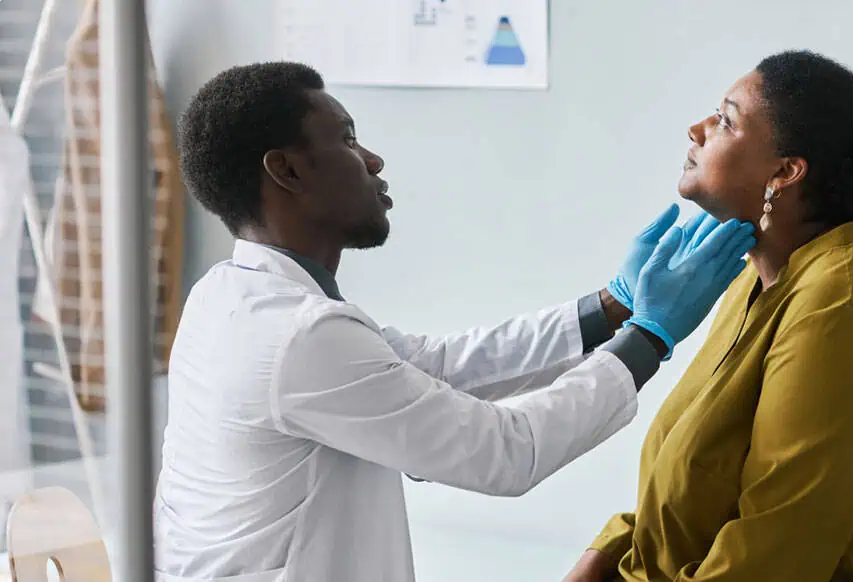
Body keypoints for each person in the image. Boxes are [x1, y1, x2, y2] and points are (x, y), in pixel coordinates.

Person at [151, 61, 756, 582]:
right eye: (347, 139)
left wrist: (612, 306)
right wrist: (648, 337)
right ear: (287, 171)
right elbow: (505, 452)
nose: (373, 158)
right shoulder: (297, 338)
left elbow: (439, 367)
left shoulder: (233, 299)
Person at [565, 50, 853, 582]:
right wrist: (602, 556)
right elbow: (700, 489)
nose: (696, 130)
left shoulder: (841, 310)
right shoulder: (759, 276)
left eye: (725, 119)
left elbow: (768, 562)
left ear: (785, 172)